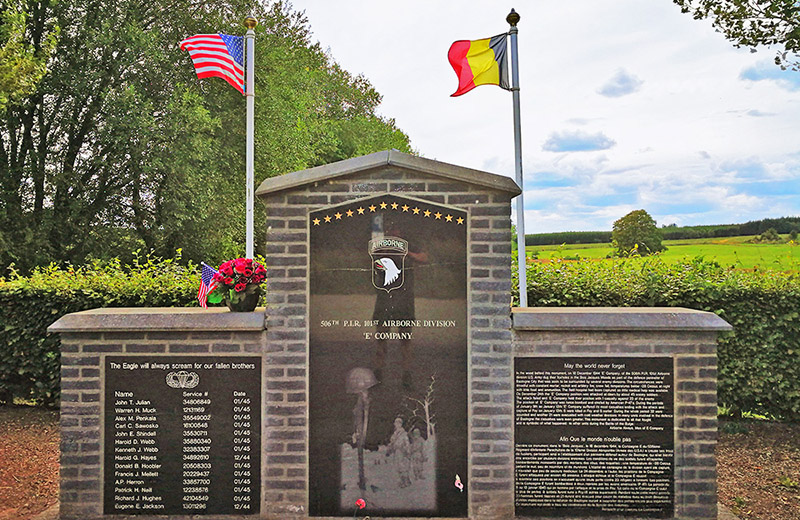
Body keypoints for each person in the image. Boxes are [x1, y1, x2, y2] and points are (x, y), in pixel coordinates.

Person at [385, 417, 412, 488]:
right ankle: (403, 481)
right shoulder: (395, 433)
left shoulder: (403, 433)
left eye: (398, 423)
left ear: (400, 424)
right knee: (398, 467)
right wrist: (389, 450)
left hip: (402, 451)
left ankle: (405, 481)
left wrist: (407, 451)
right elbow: (391, 442)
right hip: (396, 451)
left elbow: (407, 443)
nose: (396, 424)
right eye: (395, 423)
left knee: (402, 466)